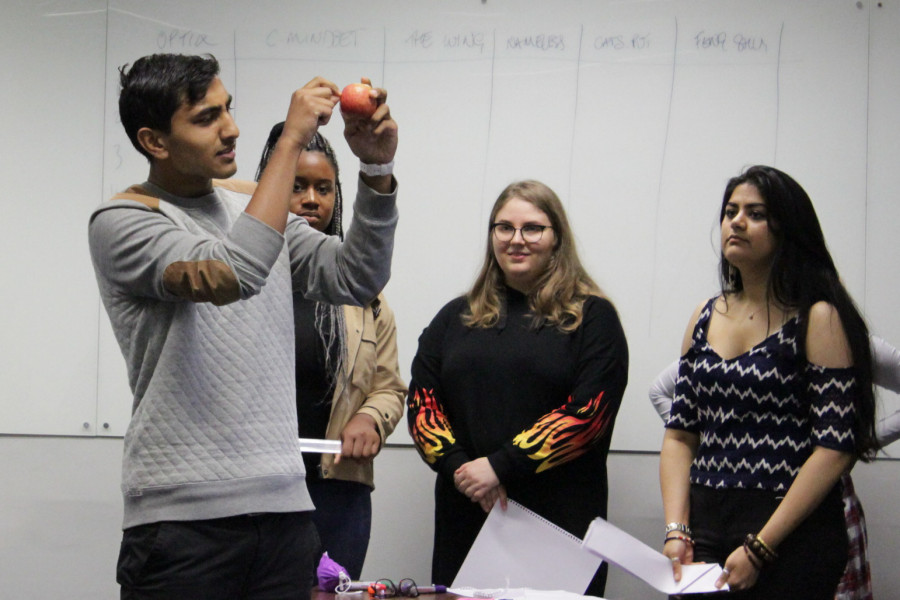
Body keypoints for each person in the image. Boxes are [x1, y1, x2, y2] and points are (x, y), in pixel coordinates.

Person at [88, 53, 399, 600]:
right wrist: (290, 142)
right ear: (155, 141)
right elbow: (234, 273)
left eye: (228, 109)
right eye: (206, 117)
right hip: (182, 524)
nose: (230, 128)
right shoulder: (123, 221)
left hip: (285, 511)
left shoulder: (251, 205)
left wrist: (375, 171)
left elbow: (356, 278)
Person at [660, 165, 880, 599]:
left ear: (787, 230)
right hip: (704, 523)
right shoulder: (704, 315)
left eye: (755, 213)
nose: (736, 222)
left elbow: (835, 449)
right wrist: (676, 529)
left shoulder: (818, 317)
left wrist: (761, 547)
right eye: (730, 211)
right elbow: (680, 436)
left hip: (788, 532)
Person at [406, 180, 629, 597]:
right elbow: (422, 404)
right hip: (466, 512)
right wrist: (461, 468)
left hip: (558, 525)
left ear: (556, 237)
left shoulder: (593, 318)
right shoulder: (454, 317)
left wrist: (499, 467)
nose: (516, 240)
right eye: (504, 228)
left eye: (533, 228)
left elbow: (588, 415)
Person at [255, 124, 406, 579]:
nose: (310, 199)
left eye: (324, 188)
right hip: (257, 486)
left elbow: (390, 388)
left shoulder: (366, 298)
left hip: (337, 489)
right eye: (296, 185)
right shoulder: (244, 284)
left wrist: (370, 419)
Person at [651, 333, 900, 600]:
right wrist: (717, 443)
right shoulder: (725, 330)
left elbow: (834, 449)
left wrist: (855, 444)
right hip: (724, 511)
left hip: (811, 502)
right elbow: (662, 394)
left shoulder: (839, 331)